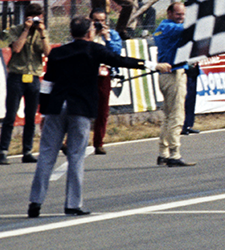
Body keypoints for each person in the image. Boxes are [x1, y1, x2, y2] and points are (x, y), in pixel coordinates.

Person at [27, 17, 168, 218]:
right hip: (80, 108)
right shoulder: (93, 50)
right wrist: (153, 65)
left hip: (56, 107)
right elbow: (121, 61)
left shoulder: (58, 52)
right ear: (89, 33)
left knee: (47, 155)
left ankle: (35, 202)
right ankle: (73, 204)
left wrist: (44, 111)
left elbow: (47, 83)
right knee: (76, 156)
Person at [0, 4, 49, 164]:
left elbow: (48, 53)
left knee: (31, 115)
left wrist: (41, 33)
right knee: (11, 115)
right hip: (17, 75)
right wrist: (26, 30)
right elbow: (17, 49)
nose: (35, 20)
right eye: (32, 17)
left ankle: (27, 150)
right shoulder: (15, 30)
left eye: (38, 17)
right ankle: (3, 150)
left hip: (33, 76)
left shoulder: (42, 32)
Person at [153, 2, 197, 167]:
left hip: (165, 75)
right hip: (173, 75)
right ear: (169, 13)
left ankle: (163, 153)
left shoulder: (161, 27)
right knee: (177, 116)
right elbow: (192, 29)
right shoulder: (171, 27)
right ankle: (174, 154)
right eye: (179, 14)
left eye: (183, 14)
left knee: (168, 116)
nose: (182, 17)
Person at [89, 9, 123, 155]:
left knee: (102, 110)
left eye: (102, 20)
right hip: (86, 74)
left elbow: (116, 53)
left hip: (103, 74)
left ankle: (99, 142)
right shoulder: (85, 33)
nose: (99, 23)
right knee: (80, 109)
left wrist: (107, 38)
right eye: (96, 20)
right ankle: (69, 141)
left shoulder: (112, 34)